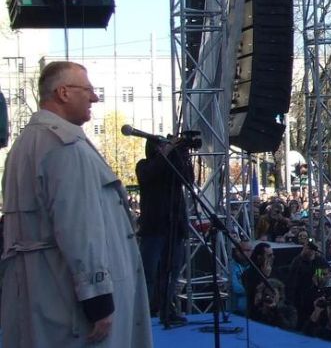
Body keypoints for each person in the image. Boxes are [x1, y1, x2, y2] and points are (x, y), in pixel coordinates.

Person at [1, 61, 152, 347]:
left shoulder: (23, 145)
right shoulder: (64, 146)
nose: (94, 98)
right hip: (69, 306)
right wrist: (97, 298)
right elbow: (80, 230)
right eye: (88, 90)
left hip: (38, 296)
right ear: (63, 93)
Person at [136, 134, 192, 327]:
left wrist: (183, 155)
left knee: (172, 271)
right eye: (162, 146)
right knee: (149, 273)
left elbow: (189, 180)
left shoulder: (173, 167)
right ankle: (145, 311)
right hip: (153, 228)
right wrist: (167, 151)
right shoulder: (144, 165)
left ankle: (167, 309)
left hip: (174, 226)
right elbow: (150, 173)